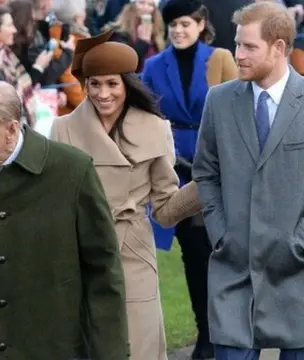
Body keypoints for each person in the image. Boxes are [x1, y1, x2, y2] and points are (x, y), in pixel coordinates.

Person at [0, 79, 129, 360]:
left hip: (54, 349)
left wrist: (110, 353)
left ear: (11, 129)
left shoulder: (72, 171)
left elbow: (103, 269)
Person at [50, 29, 202, 360]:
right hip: (81, 254)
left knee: (140, 345)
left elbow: (164, 208)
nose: (103, 93)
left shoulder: (154, 127)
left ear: (127, 85)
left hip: (133, 250)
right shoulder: (62, 130)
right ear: (85, 84)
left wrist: (205, 188)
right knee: (90, 345)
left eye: (112, 84)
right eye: (95, 83)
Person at [193, 2, 304, 359]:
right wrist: (221, 232)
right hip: (234, 271)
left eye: (248, 46)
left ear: (279, 48)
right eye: (237, 44)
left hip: (298, 273)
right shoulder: (219, 101)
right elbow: (206, 172)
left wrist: (298, 241)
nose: (236, 54)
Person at [140, 0, 237, 358]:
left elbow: (236, 110)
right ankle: (206, 334)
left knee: (216, 252)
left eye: (184, 24)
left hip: (216, 168)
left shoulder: (221, 58)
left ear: (200, 24)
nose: (178, 31)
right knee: (192, 255)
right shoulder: (153, 66)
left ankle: (222, 331)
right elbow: (145, 112)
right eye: (172, 26)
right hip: (172, 171)